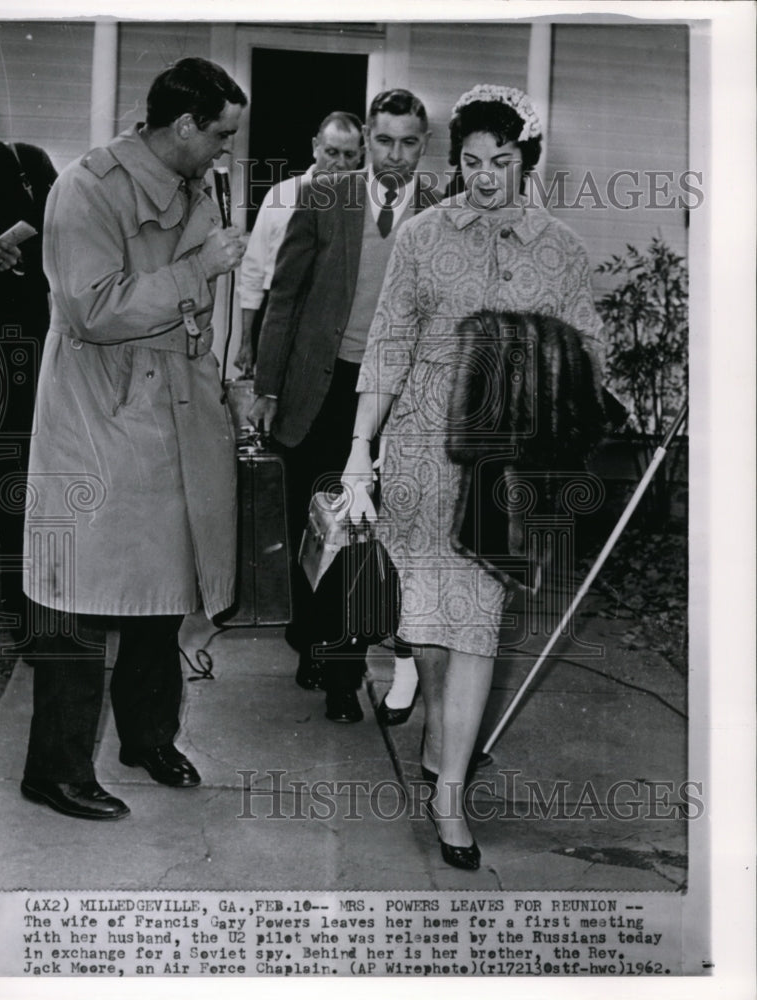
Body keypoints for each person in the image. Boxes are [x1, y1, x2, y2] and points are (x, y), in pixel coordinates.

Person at [340, 84, 606, 868]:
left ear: (527, 161)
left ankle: (449, 792)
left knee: (477, 624)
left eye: (501, 161)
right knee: (425, 624)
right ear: (454, 161)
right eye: (470, 161)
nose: (485, 176)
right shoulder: (422, 235)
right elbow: (387, 341)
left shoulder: (559, 247)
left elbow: (588, 348)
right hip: (423, 447)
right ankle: (435, 725)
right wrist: (361, 446)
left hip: (504, 462)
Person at [19, 57, 248, 821]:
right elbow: (90, 310)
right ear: (182, 126)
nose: (225, 152)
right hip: (102, 420)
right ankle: (53, 770)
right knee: (76, 600)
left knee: (161, 590)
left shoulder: (192, 184)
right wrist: (197, 269)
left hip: (174, 412)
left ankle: (146, 737)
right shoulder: (86, 187)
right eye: (219, 136)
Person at [249, 89, 440, 724]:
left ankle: (341, 668)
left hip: (393, 399)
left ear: (424, 145)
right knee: (320, 523)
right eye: (384, 140)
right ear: (367, 139)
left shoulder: (440, 214)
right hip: (320, 390)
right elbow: (284, 297)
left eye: (408, 142)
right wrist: (268, 388)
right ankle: (312, 638)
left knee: (365, 540)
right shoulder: (325, 196)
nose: (395, 154)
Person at [0, 134, 57, 633]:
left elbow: (61, 218)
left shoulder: (23, 160)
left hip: (18, 345)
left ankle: (20, 607)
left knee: (14, 474)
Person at [234, 111, 364, 376]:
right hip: (278, 315)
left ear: (361, 154)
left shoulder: (367, 207)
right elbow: (253, 272)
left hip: (336, 325)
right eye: (331, 152)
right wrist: (247, 341)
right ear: (315, 147)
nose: (339, 163)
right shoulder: (282, 196)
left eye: (349, 155)